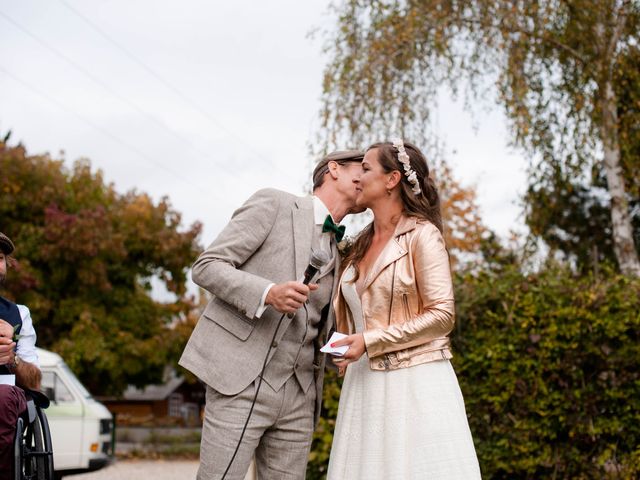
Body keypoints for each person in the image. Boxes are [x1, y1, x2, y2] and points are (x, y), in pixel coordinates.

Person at [179, 150, 365, 480]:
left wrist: (353, 352)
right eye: (360, 169)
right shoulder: (274, 204)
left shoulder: (344, 250)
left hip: (301, 394)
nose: (366, 177)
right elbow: (206, 267)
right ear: (333, 169)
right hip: (241, 381)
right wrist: (268, 293)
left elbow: (321, 325)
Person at [326, 140, 482, 479]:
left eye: (366, 169)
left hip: (414, 383)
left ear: (392, 179)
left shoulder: (422, 236)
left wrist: (368, 341)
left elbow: (443, 316)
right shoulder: (357, 244)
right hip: (363, 385)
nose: (358, 178)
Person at [0, 232, 42, 480]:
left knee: (3, 396)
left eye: (0, 257)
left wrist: (12, 358)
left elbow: (35, 381)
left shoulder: (19, 314)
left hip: (5, 394)